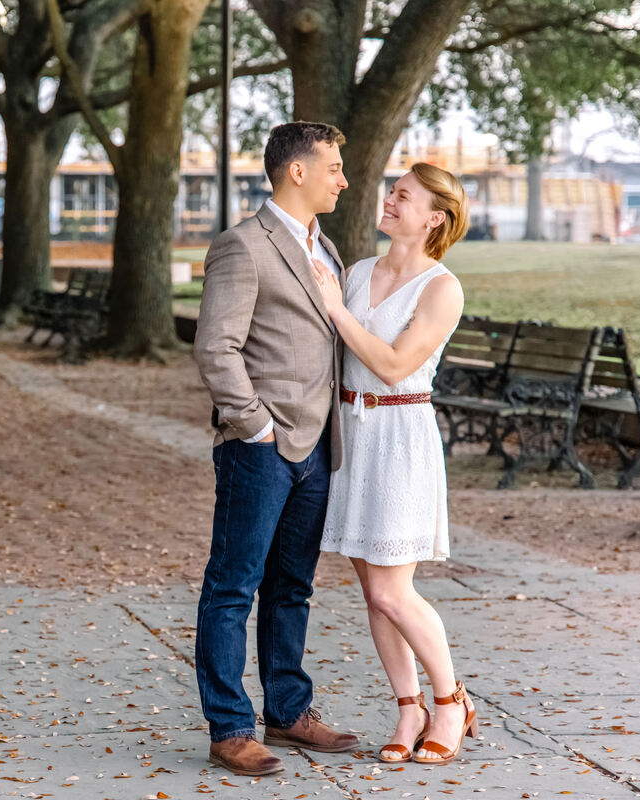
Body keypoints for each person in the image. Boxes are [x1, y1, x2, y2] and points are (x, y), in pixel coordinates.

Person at [193, 121, 358, 777]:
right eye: (334, 167)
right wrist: (254, 424)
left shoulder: (328, 248)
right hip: (260, 448)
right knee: (233, 588)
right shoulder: (243, 247)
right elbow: (216, 347)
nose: (342, 179)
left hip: (319, 446)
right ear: (297, 170)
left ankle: (288, 713)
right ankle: (230, 726)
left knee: (292, 587)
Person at [311, 162, 479, 766]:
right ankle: (408, 708)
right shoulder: (357, 272)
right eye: (392, 192)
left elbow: (392, 362)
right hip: (350, 436)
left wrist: (337, 309)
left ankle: (450, 700)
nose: (389, 201)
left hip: (400, 435)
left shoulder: (442, 288)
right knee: (371, 589)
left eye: (403, 196)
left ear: (434, 216)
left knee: (392, 591)